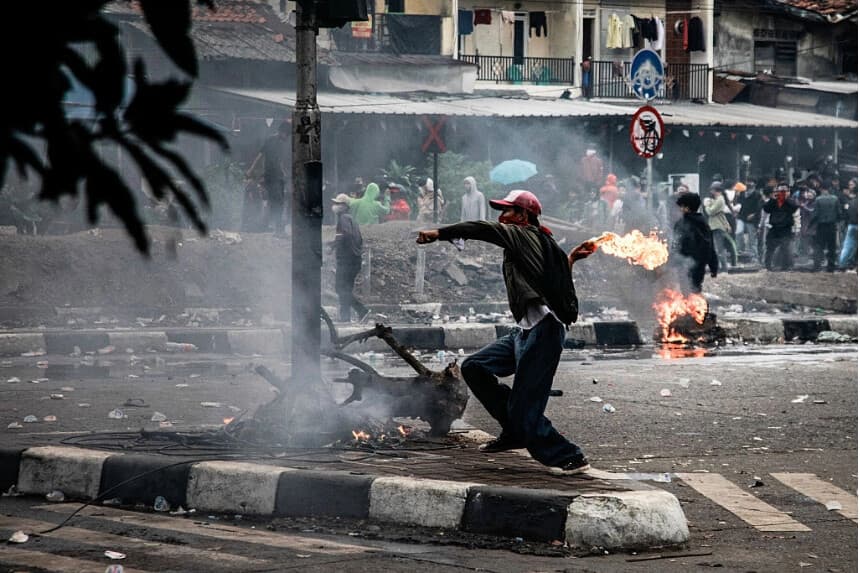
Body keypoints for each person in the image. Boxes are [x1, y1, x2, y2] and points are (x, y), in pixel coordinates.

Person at [415, 190, 593, 475]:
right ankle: (513, 431)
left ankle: (568, 456)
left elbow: (481, 229)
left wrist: (439, 233)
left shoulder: (521, 234)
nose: (501, 217)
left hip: (543, 333)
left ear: (523, 216)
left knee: (526, 408)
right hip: (523, 332)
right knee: (474, 367)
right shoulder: (543, 243)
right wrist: (570, 260)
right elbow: (555, 281)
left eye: (507, 211)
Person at [330, 194, 369, 322]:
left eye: (338, 204)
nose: (335, 206)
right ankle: (345, 317)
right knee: (345, 289)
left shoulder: (344, 219)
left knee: (340, 289)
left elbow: (344, 235)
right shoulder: (352, 220)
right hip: (354, 260)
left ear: (345, 206)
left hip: (347, 261)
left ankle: (362, 310)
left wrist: (334, 246)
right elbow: (358, 240)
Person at [246, 120, 290, 234]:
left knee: (276, 201)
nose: (287, 136)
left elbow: (277, 159)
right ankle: (277, 228)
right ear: (281, 131)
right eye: (286, 134)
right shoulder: (272, 141)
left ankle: (274, 227)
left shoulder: (280, 142)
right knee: (277, 201)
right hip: (272, 176)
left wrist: (283, 172)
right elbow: (262, 156)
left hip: (277, 177)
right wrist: (251, 169)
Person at [671, 191, 718, 293]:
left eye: (682, 206)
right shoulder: (703, 223)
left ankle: (692, 307)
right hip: (698, 264)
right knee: (695, 288)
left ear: (687, 208)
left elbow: (676, 244)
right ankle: (694, 307)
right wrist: (713, 266)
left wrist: (672, 260)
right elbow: (710, 246)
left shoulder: (682, 223)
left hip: (685, 262)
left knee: (687, 289)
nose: (680, 209)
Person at [762, 181, 799, 271]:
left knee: (786, 248)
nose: (782, 193)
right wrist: (774, 199)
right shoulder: (774, 201)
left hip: (786, 228)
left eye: (784, 191)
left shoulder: (791, 202)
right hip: (774, 227)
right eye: (780, 190)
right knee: (770, 247)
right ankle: (768, 266)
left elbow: (794, 208)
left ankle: (785, 267)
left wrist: (785, 199)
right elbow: (766, 209)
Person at [703, 181, 737, 271]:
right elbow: (721, 215)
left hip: (717, 227)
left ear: (716, 190)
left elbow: (710, 212)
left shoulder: (720, 199)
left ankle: (724, 268)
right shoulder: (718, 199)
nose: (711, 191)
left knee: (719, 249)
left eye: (712, 190)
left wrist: (707, 204)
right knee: (718, 248)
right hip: (716, 226)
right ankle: (720, 267)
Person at [809, 184, 841, 272]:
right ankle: (831, 267)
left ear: (822, 189)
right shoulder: (835, 199)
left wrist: (810, 224)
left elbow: (815, 214)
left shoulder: (818, 199)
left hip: (821, 226)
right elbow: (839, 213)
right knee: (832, 247)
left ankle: (817, 266)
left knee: (819, 246)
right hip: (832, 226)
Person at [838, 184, 858, 270]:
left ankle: (842, 264)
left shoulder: (850, 202)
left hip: (851, 225)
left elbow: (847, 213)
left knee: (847, 246)